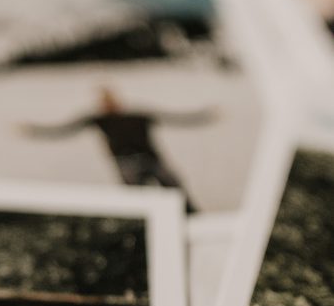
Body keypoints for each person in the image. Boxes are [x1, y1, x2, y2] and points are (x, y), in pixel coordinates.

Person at [19, 86, 216, 213]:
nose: (108, 103)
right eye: (104, 100)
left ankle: (196, 219)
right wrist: (33, 130)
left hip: (152, 160)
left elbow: (178, 118)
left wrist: (206, 115)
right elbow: (62, 130)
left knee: (175, 192)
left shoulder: (138, 114)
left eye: (110, 99)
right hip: (127, 163)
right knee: (137, 204)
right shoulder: (99, 119)